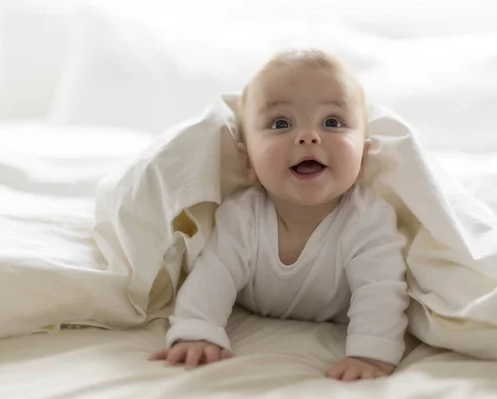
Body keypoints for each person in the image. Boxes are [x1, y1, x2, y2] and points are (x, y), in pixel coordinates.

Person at [149, 49, 409, 381]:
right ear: (248, 163)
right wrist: (197, 331)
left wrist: (370, 355)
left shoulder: (368, 218)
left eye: (332, 122)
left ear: (362, 158)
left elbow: (381, 289)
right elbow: (213, 276)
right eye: (280, 123)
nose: (308, 136)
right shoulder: (242, 216)